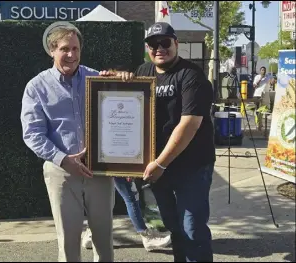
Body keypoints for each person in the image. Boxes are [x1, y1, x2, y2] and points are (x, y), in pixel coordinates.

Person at [101, 22, 216, 262]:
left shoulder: (191, 75)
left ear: (176, 44)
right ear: (147, 48)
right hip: (158, 168)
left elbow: (189, 124)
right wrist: (116, 80)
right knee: (172, 226)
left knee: (192, 228)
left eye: (165, 42)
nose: (159, 48)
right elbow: (128, 115)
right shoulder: (143, 72)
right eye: (153, 44)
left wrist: (160, 163)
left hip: (191, 165)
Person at [20, 23, 115, 262]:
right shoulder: (36, 87)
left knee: (104, 239)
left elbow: (123, 112)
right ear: (52, 50)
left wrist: (124, 80)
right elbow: (32, 133)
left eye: (75, 48)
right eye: (64, 49)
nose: (71, 54)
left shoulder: (96, 78)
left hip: (99, 171)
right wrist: (64, 160)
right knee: (69, 241)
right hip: (61, 172)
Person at [81, 177, 171, 252]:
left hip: (102, 160)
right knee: (131, 197)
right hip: (118, 161)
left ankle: (91, 234)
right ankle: (146, 236)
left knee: (100, 195)